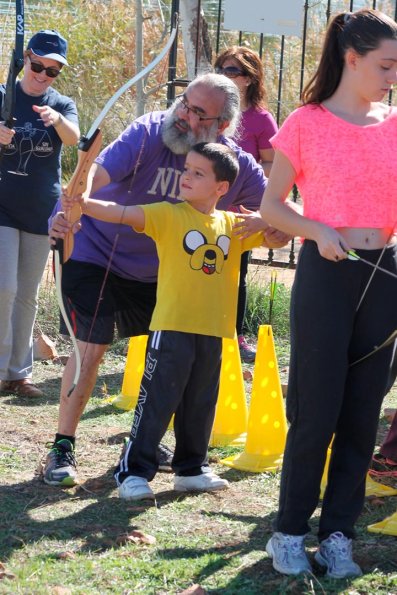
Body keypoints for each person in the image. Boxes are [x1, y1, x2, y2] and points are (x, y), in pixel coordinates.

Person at [44, 72, 290, 487]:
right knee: (89, 348)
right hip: (96, 254)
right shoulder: (145, 132)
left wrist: (269, 220)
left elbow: (280, 213)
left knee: (174, 362)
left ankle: (152, 444)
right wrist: (68, 212)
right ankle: (62, 446)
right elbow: (93, 178)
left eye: (199, 113)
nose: (184, 116)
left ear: (221, 127)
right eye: (185, 104)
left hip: (164, 275)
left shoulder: (231, 164)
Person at [260, 9, 397, 579]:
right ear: (352, 57)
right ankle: (289, 532)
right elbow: (273, 207)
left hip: (386, 276)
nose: (393, 76)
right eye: (386, 65)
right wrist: (317, 230)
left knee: (363, 415)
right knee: (315, 411)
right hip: (325, 274)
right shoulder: (305, 123)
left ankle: (337, 535)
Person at [61, 142, 271, 500]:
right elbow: (120, 211)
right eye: (186, 169)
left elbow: (286, 229)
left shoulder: (234, 225)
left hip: (214, 331)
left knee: (201, 402)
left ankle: (191, 468)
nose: (186, 176)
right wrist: (82, 204)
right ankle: (133, 471)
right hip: (172, 326)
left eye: (198, 173)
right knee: (156, 400)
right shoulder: (167, 214)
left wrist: (266, 219)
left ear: (222, 188)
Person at [0, 29, 79, 398]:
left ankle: (19, 374)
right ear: (25, 59)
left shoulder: (61, 103)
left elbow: (75, 138)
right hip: (2, 206)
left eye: (52, 71)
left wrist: (56, 119)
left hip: (40, 210)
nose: (42, 75)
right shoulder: (3, 96)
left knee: (27, 293)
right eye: (37, 65)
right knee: (4, 287)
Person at [214, 47, 278, 363]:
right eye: (222, 69)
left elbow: (272, 166)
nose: (226, 76)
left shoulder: (261, 120)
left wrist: (245, 185)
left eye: (233, 71)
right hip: (198, 208)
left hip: (236, 213)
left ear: (250, 79)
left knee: (234, 276)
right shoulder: (209, 108)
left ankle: (235, 337)